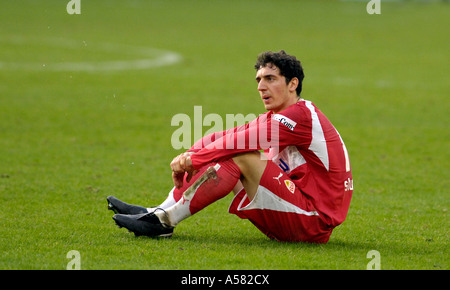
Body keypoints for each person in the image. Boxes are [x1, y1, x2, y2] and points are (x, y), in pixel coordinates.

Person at [108, 50, 353, 243]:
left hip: (313, 222)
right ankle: (158, 211)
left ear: (292, 84)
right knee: (230, 151)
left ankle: (165, 221)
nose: (260, 87)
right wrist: (190, 155)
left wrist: (196, 160)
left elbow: (241, 143)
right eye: (258, 80)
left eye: (270, 79)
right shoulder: (277, 117)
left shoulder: (301, 116)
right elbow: (224, 135)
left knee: (242, 155)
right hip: (297, 214)